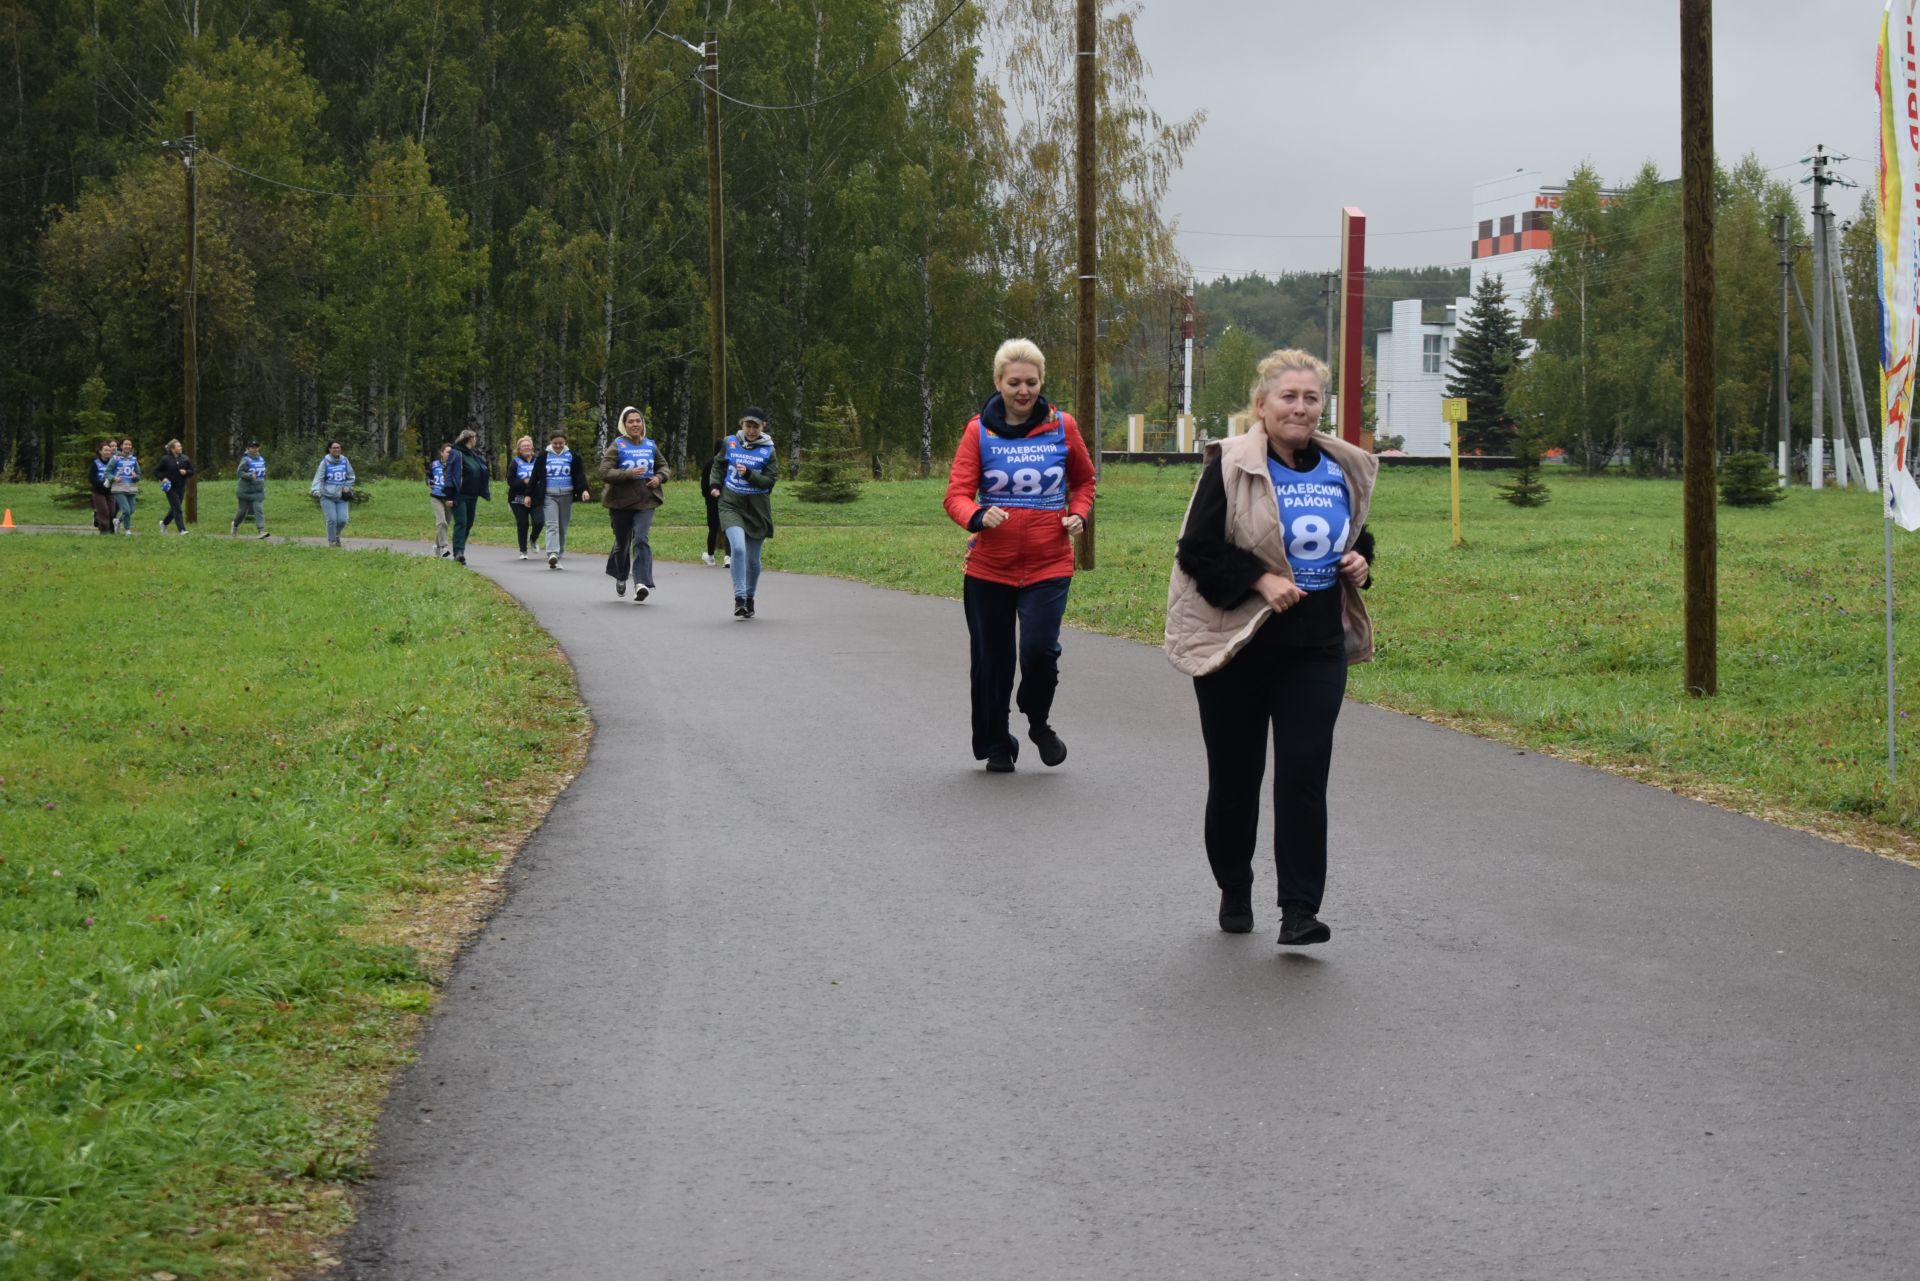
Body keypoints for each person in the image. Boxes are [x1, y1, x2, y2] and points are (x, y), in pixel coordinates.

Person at [1165, 349, 1377, 947]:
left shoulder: (1340, 467)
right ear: (1261, 406)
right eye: (1289, 397)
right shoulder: (1232, 464)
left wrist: (1362, 560)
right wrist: (1260, 580)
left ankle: (1299, 910)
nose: (1301, 408)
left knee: (1304, 778)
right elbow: (1197, 550)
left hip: (1315, 647)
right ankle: (1234, 885)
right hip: (1238, 648)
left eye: (1312, 398)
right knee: (1236, 778)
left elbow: (1348, 532)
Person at [941, 339, 1095, 773]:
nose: (1023, 391)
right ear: (998, 383)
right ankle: (996, 743)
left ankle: (1038, 720)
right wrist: (976, 516)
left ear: (1042, 382)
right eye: (1014, 383)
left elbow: (1084, 481)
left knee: (1039, 652)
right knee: (992, 661)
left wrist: (1079, 514)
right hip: (990, 567)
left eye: (1031, 382)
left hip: (1049, 563)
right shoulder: (979, 431)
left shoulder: (1063, 426)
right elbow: (955, 494)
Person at [708, 407, 778, 618]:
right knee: (738, 548)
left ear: (762, 426)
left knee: (753, 560)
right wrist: (715, 484)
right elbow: (718, 464)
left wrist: (749, 474)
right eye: (748, 426)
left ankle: (749, 597)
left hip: (756, 508)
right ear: (742, 425)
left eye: (756, 426)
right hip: (731, 504)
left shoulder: (768, 450)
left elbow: (769, 481)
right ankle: (739, 598)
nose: (751, 430)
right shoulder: (730, 442)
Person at [599, 406, 666, 603]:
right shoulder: (618, 445)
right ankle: (621, 575)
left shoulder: (650, 445)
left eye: (638, 421)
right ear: (624, 425)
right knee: (622, 544)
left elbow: (664, 466)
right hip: (621, 501)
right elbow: (604, 472)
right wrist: (627, 474)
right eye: (631, 421)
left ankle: (641, 583)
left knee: (641, 539)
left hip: (646, 499)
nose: (635, 424)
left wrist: (660, 477)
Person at [541, 430, 590, 569]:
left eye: (560, 443)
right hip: (549, 495)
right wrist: (529, 494)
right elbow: (536, 476)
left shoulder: (572, 456)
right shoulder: (543, 456)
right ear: (551, 442)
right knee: (552, 525)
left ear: (565, 443)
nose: (557, 446)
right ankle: (552, 553)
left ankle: (559, 553)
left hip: (567, 495)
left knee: (562, 526)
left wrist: (584, 490)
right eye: (555, 443)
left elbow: (579, 475)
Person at [443, 428, 491, 565]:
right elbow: (449, 474)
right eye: (475, 438)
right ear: (470, 439)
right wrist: (449, 496)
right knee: (462, 522)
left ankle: (460, 550)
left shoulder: (473, 454)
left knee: (469, 523)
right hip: (459, 495)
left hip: (472, 495)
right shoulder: (456, 453)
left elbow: (481, 471)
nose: (476, 440)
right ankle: (458, 552)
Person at [506, 435, 547, 560]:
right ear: (519, 449)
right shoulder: (515, 462)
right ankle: (523, 550)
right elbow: (510, 481)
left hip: (536, 497)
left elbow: (544, 477)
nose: (527, 447)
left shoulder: (538, 460)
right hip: (518, 498)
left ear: (532, 447)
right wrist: (524, 481)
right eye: (524, 446)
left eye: (529, 445)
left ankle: (533, 539)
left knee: (539, 522)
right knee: (522, 523)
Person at [310, 439, 356, 547]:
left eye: (338, 447)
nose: (337, 449)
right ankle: (332, 541)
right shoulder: (325, 462)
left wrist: (347, 487)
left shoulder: (345, 461)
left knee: (343, 520)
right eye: (334, 448)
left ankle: (336, 534)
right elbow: (318, 477)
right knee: (332, 520)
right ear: (330, 449)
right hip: (327, 496)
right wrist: (315, 490)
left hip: (341, 496)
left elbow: (351, 476)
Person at [155, 439, 194, 535]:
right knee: (177, 508)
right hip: (170, 488)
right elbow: (156, 471)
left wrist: (186, 472)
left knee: (174, 509)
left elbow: (192, 470)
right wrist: (163, 478)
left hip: (181, 487)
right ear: (172, 449)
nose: (181, 448)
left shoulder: (185, 458)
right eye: (178, 446)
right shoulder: (165, 459)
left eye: (180, 446)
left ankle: (164, 523)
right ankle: (182, 530)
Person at [232, 440, 269, 538]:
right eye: (252, 447)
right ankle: (235, 525)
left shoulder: (261, 459)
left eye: (256, 447)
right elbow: (239, 473)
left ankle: (261, 531)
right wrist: (249, 475)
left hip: (258, 491)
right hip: (245, 491)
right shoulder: (246, 460)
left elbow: (262, 472)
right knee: (242, 511)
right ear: (248, 449)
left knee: (258, 509)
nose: (255, 449)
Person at [701, 437, 728, 567]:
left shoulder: (709, 464)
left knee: (713, 528)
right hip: (728, 499)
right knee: (728, 528)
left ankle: (711, 556)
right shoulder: (730, 463)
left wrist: (707, 496)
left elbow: (704, 486)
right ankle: (728, 557)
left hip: (711, 500)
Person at [109, 437, 141, 534]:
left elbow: (139, 474)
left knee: (131, 510)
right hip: (119, 487)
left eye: (129, 444)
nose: (128, 446)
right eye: (126, 444)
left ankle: (118, 521)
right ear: (121, 446)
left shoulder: (133, 459)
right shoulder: (115, 458)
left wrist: (135, 476)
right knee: (126, 510)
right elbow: (107, 472)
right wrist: (114, 478)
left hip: (131, 487)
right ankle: (127, 530)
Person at [428, 443, 454, 558]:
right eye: (448, 452)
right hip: (436, 497)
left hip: (449, 498)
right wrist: (429, 482)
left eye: (451, 452)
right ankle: (444, 547)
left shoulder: (454, 466)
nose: (450, 454)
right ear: (442, 453)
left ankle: (437, 547)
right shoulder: (434, 464)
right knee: (441, 521)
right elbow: (428, 476)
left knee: (445, 524)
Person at [88, 440, 117, 534]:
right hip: (98, 491)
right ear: (100, 451)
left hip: (110, 491)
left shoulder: (113, 463)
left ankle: (97, 516)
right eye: (105, 450)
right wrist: (101, 483)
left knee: (112, 511)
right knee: (104, 511)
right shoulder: (95, 463)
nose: (107, 452)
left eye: (109, 450)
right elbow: (91, 478)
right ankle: (104, 531)